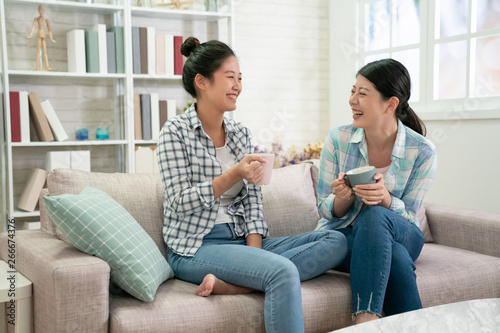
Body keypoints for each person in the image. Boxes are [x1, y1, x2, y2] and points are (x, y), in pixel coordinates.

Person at [156, 37, 348, 333]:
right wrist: (234, 174)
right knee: (282, 271)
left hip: (240, 241)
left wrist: (255, 252)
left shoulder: (239, 133)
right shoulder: (175, 132)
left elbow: (253, 202)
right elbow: (179, 201)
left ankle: (233, 286)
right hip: (196, 247)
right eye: (230, 77)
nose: (237, 86)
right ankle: (251, 280)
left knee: (336, 241)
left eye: (240, 78)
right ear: (202, 82)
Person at [317, 59, 437, 324]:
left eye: (362, 93)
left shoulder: (422, 151)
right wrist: (341, 198)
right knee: (393, 255)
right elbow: (324, 209)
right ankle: (378, 322)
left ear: (390, 103)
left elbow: (409, 215)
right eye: (352, 91)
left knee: (374, 216)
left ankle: (365, 322)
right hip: (346, 236)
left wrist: (385, 200)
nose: (352, 100)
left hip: (404, 233)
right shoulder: (338, 139)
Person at [27, 5, 56, 71]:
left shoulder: (46, 20)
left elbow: (49, 30)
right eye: (40, 10)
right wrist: (30, 35)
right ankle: (37, 67)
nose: (41, 12)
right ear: (38, 11)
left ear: (44, 11)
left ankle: (47, 66)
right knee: (38, 52)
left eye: (42, 10)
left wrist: (51, 39)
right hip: (39, 34)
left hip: (43, 34)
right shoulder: (36, 19)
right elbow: (33, 27)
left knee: (45, 52)